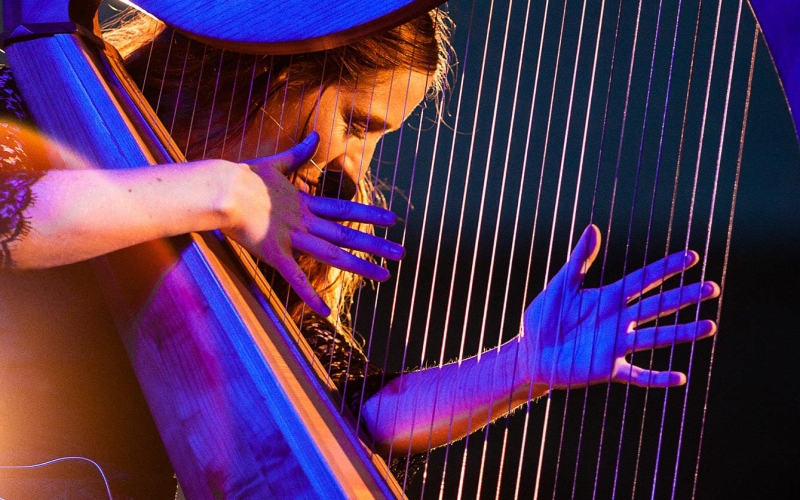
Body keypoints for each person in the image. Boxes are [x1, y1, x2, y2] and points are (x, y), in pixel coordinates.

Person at [0, 5, 719, 495]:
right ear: (275, 72)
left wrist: (522, 366)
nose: (353, 160)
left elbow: (354, 409)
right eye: (357, 120)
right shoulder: (31, 97)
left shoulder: (266, 226)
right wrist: (224, 189)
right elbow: (15, 217)